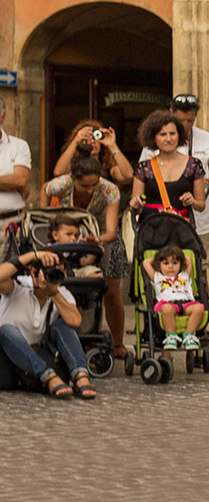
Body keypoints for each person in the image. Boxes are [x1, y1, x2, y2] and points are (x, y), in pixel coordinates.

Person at [43, 155, 128, 367]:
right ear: (73, 178)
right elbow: (45, 189)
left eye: (94, 185)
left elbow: (111, 232)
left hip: (98, 237)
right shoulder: (63, 184)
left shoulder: (109, 191)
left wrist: (94, 241)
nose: (90, 190)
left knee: (108, 290)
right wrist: (46, 221)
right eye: (84, 186)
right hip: (64, 236)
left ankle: (113, 341)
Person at [140, 95, 209, 268]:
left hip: (200, 221)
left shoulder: (208, 140)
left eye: (190, 120)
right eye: (181, 120)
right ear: (171, 113)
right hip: (163, 221)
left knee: (198, 271)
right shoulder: (155, 142)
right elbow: (141, 176)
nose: (186, 125)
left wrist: (204, 182)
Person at [0, 248, 93, 399]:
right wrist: (33, 255)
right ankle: (48, 376)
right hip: (8, 363)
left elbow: (75, 321)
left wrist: (52, 292)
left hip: (37, 357)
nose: (53, 277)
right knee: (5, 330)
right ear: (33, 272)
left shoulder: (60, 292)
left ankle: (81, 375)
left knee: (62, 325)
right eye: (50, 272)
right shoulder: (18, 287)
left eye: (58, 273)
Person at [129, 112, 207, 224]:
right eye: (163, 134)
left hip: (180, 230)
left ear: (179, 135)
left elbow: (201, 205)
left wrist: (192, 201)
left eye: (172, 133)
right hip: (151, 230)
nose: (168, 139)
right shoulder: (144, 168)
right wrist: (136, 205)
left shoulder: (194, 165)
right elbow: (135, 208)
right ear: (153, 138)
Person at [144, 245, 206, 353]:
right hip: (167, 304)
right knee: (167, 309)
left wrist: (177, 257)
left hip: (186, 303)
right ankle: (171, 335)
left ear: (180, 264)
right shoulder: (157, 276)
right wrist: (159, 258)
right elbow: (145, 262)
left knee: (199, 308)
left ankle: (189, 335)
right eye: (166, 263)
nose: (170, 267)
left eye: (175, 263)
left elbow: (188, 259)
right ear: (159, 265)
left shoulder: (184, 275)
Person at [51, 119, 134, 187]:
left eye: (96, 137)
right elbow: (58, 173)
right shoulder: (74, 166)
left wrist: (112, 146)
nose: (92, 142)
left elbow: (128, 176)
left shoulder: (108, 168)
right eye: (88, 138)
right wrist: (75, 141)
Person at [0, 103, 32, 224]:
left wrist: (16, 182)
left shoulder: (19, 146)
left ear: (2, 117)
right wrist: (8, 182)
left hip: (12, 222)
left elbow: (20, 180)